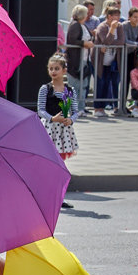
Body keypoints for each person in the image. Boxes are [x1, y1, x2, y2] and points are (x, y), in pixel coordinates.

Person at [37, 54, 78, 209]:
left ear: (64, 71)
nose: (53, 71)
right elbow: (40, 109)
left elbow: (75, 110)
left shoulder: (70, 90)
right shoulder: (45, 89)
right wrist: (52, 118)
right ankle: (45, 195)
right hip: (49, 129)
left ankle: (59, 197)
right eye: (51, 68)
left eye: (57, 68)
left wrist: (71, 119)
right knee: (49, 164)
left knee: (60, 165)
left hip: (63, 132)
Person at [65, 4, 94, 116]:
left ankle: (81, 108)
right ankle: (74, 108)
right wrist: (84, 43)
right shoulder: (75, 25)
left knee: (83, 85)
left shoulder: (82, 25)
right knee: (75, 86)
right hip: (76, 60)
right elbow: (73, 40)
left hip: (85, 59)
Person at [94, 7, 124, 115]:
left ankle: (104, 107)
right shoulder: (102, 27)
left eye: (118, 16)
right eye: (115, 15)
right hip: (100, 61)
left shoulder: (120, 26)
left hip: (112, 60)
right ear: (109, 16)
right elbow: (105, 41)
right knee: (100, 83)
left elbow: (121, 41)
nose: (117, 18)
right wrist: (111, 29)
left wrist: (110, 43)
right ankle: (97, 108)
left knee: (107, 83)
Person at [124, 7, 138, 74]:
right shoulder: (124, 25)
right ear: (129, 17)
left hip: (135, 55)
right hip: (125, 55)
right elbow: (125, 41)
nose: (137, 19)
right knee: (126, 76)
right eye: (135, 17)